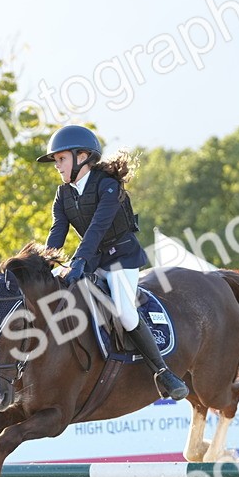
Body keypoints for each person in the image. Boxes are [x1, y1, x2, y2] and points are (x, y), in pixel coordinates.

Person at [39, 124, 187, 400]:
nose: (57, 166)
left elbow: (98, 228)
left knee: (125, 312)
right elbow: (57, 232)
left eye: (61, 159)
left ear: (82, 156)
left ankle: (163, 372)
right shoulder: (63, 194)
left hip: (122, 258)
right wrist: (43, 264)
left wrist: (79, 261)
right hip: (93, 259)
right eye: (56, 160)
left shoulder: (108, 186)